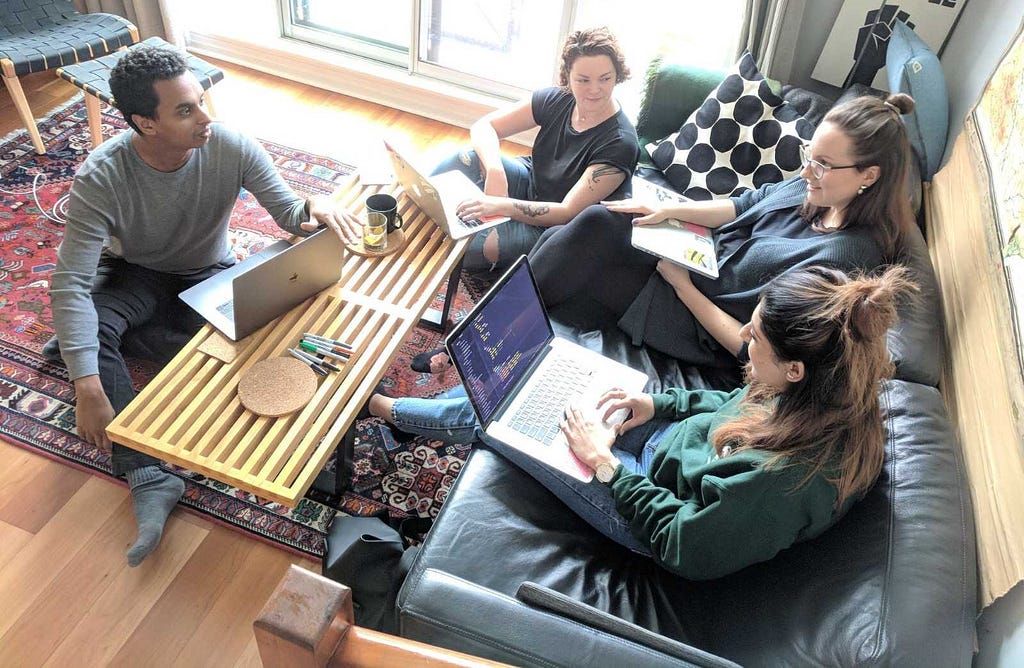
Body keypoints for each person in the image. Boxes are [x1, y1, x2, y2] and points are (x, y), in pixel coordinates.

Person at [368, 265, 915, 578]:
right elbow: (732, 406)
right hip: (665, 458)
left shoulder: (780, 482)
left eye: (756, 341)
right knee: (542, 382)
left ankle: (395, 413)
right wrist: (660, 405)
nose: (744, 344)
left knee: (506, 416)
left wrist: (607, 466)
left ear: (795, 369)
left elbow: (685, 544)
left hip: (648, 514)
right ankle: (414, 411)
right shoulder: (825, 391)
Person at [47, 45, 362, 567]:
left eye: (200, 100)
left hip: (211, 274)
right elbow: (69, 284)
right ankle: (148, 474)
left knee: (263, 325)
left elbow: (287, 213)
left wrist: (315, 205)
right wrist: (86, 386)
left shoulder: (230, 145)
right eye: (185, 110)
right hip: (137, 273)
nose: (205, 117)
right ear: (145, 123)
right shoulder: (101, 177)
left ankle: (101, 342)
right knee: (93, 324)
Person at [525, 92, 917, 367]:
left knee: (584, 244)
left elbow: (754, 348)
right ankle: (504, 320)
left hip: (695, 320)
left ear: (869, 175)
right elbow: (740, 206)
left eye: (823, 164)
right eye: (808, 155)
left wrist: (682, 286)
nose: (806, 171)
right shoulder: (811, 188)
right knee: (597, 223)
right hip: (694, 260)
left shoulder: (845, 259)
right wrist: (666, 208)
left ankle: (502, 330)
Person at [411, 26, 639, 373]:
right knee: (466, 158)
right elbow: (485, 127)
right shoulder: (556, 99)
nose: (594, 90)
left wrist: (499, 206)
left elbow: (566, 212)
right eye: (583, 80)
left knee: (466, 245)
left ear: (618, 75)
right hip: (529, 181)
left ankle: (429, 243)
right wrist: (496, 172)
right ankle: (415, 213)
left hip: (556, 226)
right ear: (568, 77)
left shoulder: (620, 142)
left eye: (605, 79)